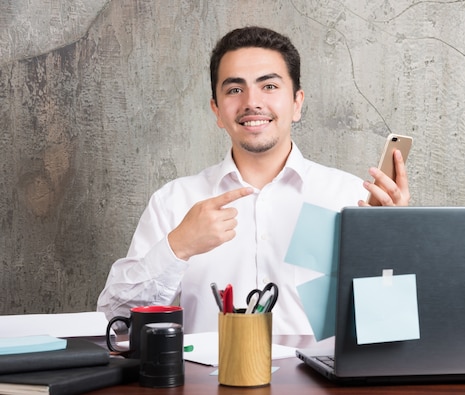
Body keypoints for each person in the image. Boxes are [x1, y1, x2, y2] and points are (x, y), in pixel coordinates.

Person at [97, 26, 409, 335]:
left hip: (321, 383)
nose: (251, 102)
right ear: (217, 111)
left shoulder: (349, 197)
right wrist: (178, 247)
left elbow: (388, 327)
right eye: (234, 89)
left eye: (269, 86)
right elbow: (114, 323)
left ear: (297, 103)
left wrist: (390, 247)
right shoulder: (175, 201)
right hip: (207, 382)